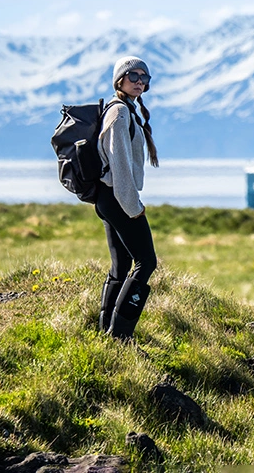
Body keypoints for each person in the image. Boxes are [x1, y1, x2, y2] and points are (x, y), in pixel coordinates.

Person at [96, 56, 160, 340]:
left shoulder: (126, 110)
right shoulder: (120, 114)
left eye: (144, 77)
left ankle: (105, 333)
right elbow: (120, 166)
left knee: (121, 266)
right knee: (146, 261)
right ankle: (120, 336)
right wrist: (134, 208)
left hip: (110, 198)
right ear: (119, 80)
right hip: (118, 198)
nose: (139, 82)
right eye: (132, 76)